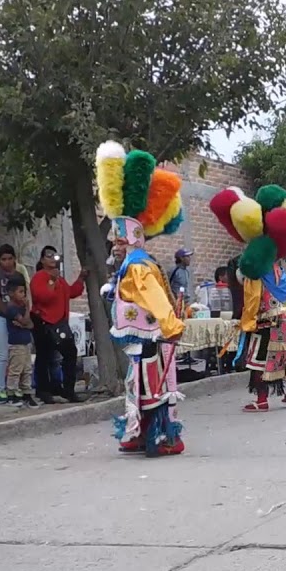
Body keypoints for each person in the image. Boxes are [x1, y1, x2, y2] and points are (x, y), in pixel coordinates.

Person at [96, 140, 188, 457]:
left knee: (151, 387)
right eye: (115, 241)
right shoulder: (130, 265)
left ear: (130, 241)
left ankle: (157, 437)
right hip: (140, 338)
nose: (115, 245)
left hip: (152, 336)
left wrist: (171, 323)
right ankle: (140, 434)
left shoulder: (137, 266)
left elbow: (154, 298)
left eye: (119, 240)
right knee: (139, 386)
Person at [208, 184, 286, 411]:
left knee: (257, 360)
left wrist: (246, 320)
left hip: (266, 320)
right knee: (279, 356)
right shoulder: (277, 267)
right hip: (283, 318)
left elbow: (253, 298)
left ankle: (261, 400)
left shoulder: (256, 271)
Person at [29, 245, 87, 404]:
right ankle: (43, 390)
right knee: (44, 357)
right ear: (42, 260)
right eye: (48, 255)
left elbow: (71, 292)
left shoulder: (59, 279)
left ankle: (67, 389)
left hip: (59, 324)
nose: (52, 258)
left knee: (69, 354)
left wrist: (81, 278)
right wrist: (52, 281)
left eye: (54, 255)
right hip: (44, 323)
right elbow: (42, 297)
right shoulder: (39, 277)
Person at [0, 243, 30, 404]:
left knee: (17, 356)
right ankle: (0, 389)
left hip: (17, 318)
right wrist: (12, 315)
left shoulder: (19, 274)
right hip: (0, 317)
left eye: (10, 258)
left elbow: (25, 297)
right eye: (3, 259)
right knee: (2, 354)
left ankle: (16, 388)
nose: (7, 262)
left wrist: (23, 316)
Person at [2, 278, 39, 407]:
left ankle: (27, 393)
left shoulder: (21, 308)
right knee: (15, 370)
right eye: (20, 292)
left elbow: (30, 325)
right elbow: (24, 321)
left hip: (26, 342)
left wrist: (24, 323)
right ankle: (11, 394)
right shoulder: (12, 309)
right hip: (16, 344)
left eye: (24, 292)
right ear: (11, 293)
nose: (23, 295)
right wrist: (28, 309)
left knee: (27, 369)